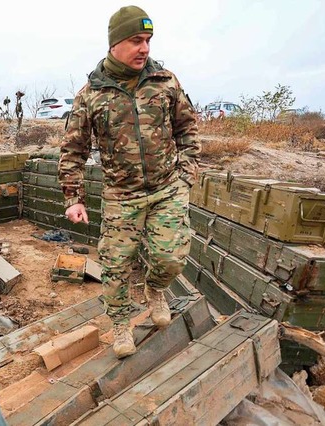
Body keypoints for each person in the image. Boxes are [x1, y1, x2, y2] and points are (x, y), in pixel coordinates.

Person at [58, 5, 200, 359]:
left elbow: (188, 129)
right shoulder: (91, 94)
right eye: (137, 40)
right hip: (122, 195)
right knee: (116, 265)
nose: (145, 48)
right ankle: (121, 324)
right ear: (115, 43)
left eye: (148, 40)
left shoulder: (165, 81)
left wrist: (186, 176)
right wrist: (73, 197)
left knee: (171, 257)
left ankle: (154, 289)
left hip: (168, 189)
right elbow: (73, 149)